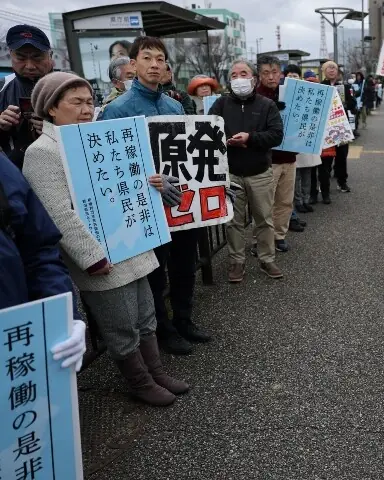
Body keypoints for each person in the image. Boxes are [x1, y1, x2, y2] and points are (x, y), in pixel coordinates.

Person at [23, 72, 188, 406]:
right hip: (100, 253)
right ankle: (138, 381)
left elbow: (125, 181)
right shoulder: (42, 151)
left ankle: (154, 370)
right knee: (119, 322)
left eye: (89, 101)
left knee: (144, 313)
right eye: (76, 102)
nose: (86, 109)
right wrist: (90, 256)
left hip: (129, 240)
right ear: (51, 109)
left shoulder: (95, 137)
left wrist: (150, 181)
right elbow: (57, 213)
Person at [99, 36, 210, 355]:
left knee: (184, 265)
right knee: (154, 270)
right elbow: (112, 164)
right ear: (132, 64)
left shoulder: (174, 105)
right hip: (146, 206)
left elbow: (189, 157)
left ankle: (185, 320)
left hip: (180, 202)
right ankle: (163, 329)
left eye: (161, 59)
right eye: (147, 58)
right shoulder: (117, 110)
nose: (155, 64)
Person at [0, 151, 87, 373]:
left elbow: (39, 250)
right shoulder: (40, 152)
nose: (86, 112)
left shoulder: (4, 170)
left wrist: (64, 318)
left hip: (14, 344)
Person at [209, 59, 284, 283]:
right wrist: (226, 140)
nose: (239, 78)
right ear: (229, 80)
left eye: (243, 73)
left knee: (264, 219)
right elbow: (207, 131)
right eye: (234, 75)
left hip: (260, 172)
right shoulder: (221, 104)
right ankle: (236, 262)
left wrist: (250, 139)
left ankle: (266, 259)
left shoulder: (266, 105)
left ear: (253, 78)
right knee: (234, 221)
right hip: (231, 173)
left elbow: (276, 135)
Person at [258, 62, 299, 253]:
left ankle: (279, 235)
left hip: (289, 156)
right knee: (265, 203)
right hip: (267, 160)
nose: (271, 77)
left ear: (280, 73)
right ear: (259, 76)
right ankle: (261, 239)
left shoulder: (291, 92)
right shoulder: (254, 97)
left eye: (274, 72)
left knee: (285, 200)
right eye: (266, 73)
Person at [0, 24, 54, 169]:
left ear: (51, 55)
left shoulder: (73, 86)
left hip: (62, 172)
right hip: (15, 177)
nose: (30, 66)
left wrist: (57, 129)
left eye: (37, 57)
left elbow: (89, 131)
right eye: (21, 57)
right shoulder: (2, 87)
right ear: (11, 55)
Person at [320, 60, 352, 195]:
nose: (332, 70)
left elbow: (352, 105)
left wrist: (347, 103)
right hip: (326, 127)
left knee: (342, 155)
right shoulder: (320, 86)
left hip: (341, 126)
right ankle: (324, 184)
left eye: (334, 68)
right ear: (324, 71)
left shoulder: (344, 87)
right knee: (325, 158)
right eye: (329, 68)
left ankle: (342, 181)